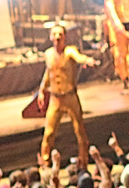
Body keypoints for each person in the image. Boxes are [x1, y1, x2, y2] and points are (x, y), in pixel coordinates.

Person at [36, 24, 97, 169]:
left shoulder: (70, 51)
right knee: (49, 132)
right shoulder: (49, 54)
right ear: (50, 37)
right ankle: (45, 162)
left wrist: (88, 60)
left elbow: (79, 57)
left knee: (79, 130)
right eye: (55, 34)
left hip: (70, 97)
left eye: (60, 35)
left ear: (65, 37)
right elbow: (48, 74)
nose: (57, 38)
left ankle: (84, 159)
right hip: (55, 99)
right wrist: (41, 91)